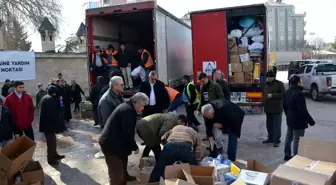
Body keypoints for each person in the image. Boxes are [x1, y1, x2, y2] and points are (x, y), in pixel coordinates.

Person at [99, 92, 149, 185]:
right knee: (116, 174)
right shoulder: (127, 111)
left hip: (118, 142)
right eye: (142, 106)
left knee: (123, 160)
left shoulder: (128, 107)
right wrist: (135, 147)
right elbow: (128, 133)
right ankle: (120, 181)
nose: (142, 109)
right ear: (137, 102)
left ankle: (125, 176)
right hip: (111, 145)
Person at [283, 75, 315, 161]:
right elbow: (303, 110)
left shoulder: (287, 91)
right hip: (298, 120)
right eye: (301, 82)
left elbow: (284, 106)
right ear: (297, 83)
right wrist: (310, 121)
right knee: (298, 139)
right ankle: (296, 158)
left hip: (290, 118)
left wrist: (288, 115)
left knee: (288, 137)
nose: (302, 83)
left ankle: (287, 154)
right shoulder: (299, 94)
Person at [39, 86, 66, 165]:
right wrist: (59, 118)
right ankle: (51, 159)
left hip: (48, 125)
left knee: (53, 141)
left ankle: (55, 155)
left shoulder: (47, 97)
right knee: (51, 143)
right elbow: (52, 113)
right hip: (48, 125)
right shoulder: (49, 99)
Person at [262, 70, 285, 147]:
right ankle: (270, 138)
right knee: (269, 125)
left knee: (276, 125)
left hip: (277, 108)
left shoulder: (279, 84)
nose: (268, 79)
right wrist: (262, 102)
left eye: (270, 77)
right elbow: (263, 94)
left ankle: (276, 140)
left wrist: (272, 95)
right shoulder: (265, 85)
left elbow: (283, 94)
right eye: (268, 77)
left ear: (273, 77)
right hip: (268, 108)